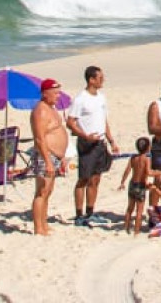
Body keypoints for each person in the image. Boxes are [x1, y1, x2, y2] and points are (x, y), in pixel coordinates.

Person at [67, 64, 117, 227]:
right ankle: (79, 215)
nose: (103, 80)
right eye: (100, 78)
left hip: (100, 143)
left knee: (96, 179)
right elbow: (70, 122)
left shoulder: (101, 97)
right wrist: (85, 136)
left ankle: (90, 212)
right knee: (83, 178)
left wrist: (111, 141)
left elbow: (104, 120)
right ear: (91, 79)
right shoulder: (80, 99)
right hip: (87, 143)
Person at [30, 77, 69, 236]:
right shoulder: (41, 111)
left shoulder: (51, 109)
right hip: (45, 155)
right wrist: (48, 161)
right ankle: (38, 227)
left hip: (55, 156)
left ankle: (44, 224)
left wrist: (62, 156)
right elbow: (39, 138)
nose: (58, 96)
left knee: (48, 191)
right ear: (45, 93)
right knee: (42, 191)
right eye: (55, 93)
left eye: (59, 93)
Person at [119, 137, 153, 234]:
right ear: (148, 148)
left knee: (129, 208)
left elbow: (127, 171)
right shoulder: (146, 159)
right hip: (140, 185)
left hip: (132, 184)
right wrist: (159, 173)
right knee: (139, 211)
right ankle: (136, 231)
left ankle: (126, 228)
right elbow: (148, 172)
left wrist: (122, 182)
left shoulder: (133, 158)